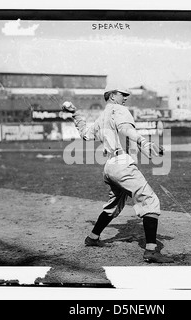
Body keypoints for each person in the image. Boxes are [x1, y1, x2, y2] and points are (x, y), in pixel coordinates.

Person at [62, 83, 174, 263]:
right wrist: (144, 142)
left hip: (110, 167)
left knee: (113, 206)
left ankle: (93, 237)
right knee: (150, 200)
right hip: (122, 165)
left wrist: (75, 114)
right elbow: (125, 130)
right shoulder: (119, 110)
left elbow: (85, 135)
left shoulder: (102, 117)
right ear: (112, 96)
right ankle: (151, 251)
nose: (126, 97)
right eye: (123, 94)